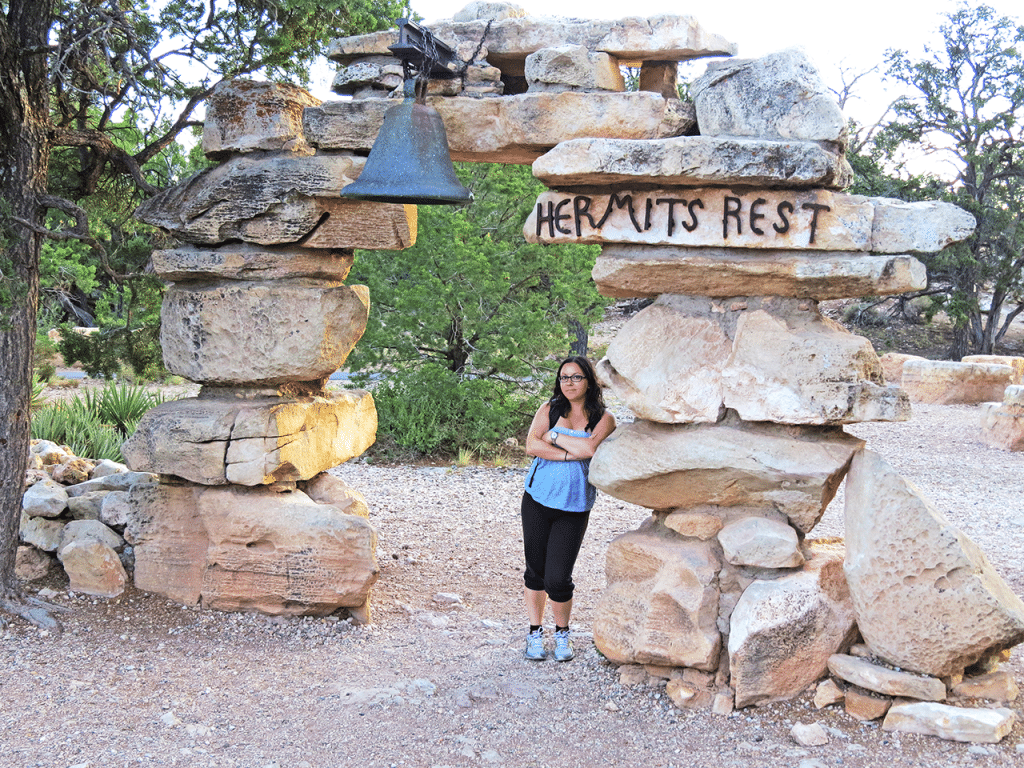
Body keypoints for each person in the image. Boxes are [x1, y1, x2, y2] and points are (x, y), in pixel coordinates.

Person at [520, 356, 616, 662]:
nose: (569, 383)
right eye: (564, 377)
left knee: (558, 577)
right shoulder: (549, 409)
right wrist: (565, 455)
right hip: (536, 499)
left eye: (576, 377)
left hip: (574, 505)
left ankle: (562, 633)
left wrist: (556, 437)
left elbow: (589, 449)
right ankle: (535, 632)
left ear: (589, 381)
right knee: (536, 571)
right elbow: (532, 446)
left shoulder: (604, 418)